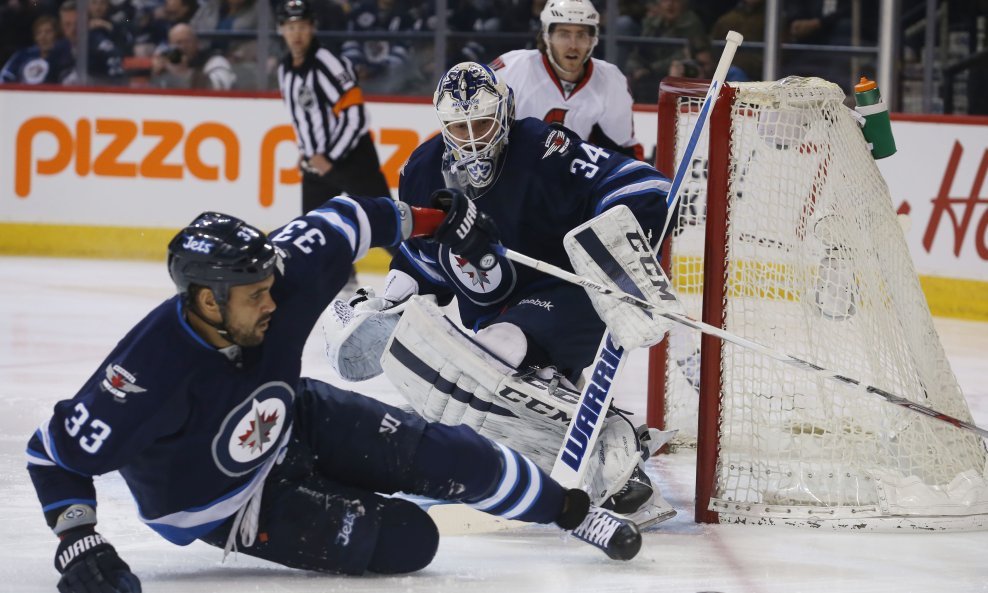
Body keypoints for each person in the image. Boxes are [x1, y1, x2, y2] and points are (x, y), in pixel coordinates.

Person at [25, 196, 644, 592]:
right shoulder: (145, 371)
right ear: (206, 299)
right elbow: (51, 454)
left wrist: (442, 222)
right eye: (253, 297)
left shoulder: (280, 278)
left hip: (292, 416)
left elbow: (353, 217)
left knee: (460, 457)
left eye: (271, 286)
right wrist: (79, 541)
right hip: (227, 508)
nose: (273, 302)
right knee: (412, 541)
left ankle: (575, 513)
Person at [354, 61, 673, 523]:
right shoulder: (421, 171)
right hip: (500, 312)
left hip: (571, 290)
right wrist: (387, 300)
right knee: (484, 388)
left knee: (498, 354)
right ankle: (604, 434)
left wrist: (615, 233)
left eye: (481, 123)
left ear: (504, 113)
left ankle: (610, 431)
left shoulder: (546, 148)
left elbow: (641, 184)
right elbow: (422, 261)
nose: (472, 139)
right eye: (459, 128)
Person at [276, 0, 394, 294]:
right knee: (317, 230)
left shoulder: (328, 62)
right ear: (282, 30)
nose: (297, 34)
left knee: (386, 221)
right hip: (317, 164)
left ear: (312, 27)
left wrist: (330, 158)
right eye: (291, 28)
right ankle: (343, 280)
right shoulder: (284, 70)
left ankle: (429, 268)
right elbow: (301, 117)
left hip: (353, 158)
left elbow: (356, 115)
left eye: (302, 26)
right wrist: (307, 151)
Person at [491, 0, 644, 160]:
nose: (573, 45)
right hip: (512, 172)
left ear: (593, 39)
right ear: (547, 36)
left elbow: (624, 150)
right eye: (564, 34)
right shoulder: (513, 67)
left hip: (569, 179)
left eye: (581, 35)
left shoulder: (610, 80)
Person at [624, 0, 712, 103]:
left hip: (676, 76)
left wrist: (650, 69)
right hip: (650, 76)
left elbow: (690, 56)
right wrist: (635, 68)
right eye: (665, 0)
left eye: (675, 1)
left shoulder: (691, 24)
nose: (670, 4)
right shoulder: (652, 23)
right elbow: (638, 52)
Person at [151, 23, 237, 90]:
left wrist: (184, 73)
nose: (183, 47)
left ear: (197, 43)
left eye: (187, 41)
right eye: (178, 43)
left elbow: (219, 87)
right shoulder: (169, 62)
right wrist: (159, 73)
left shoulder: (216, 60)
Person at [0, 14, 75, 84]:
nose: (43, 37)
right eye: (38, 33)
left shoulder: (64, 58)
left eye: (48, 32)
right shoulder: (22, 55)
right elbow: (5, 77)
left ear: (57, 34)